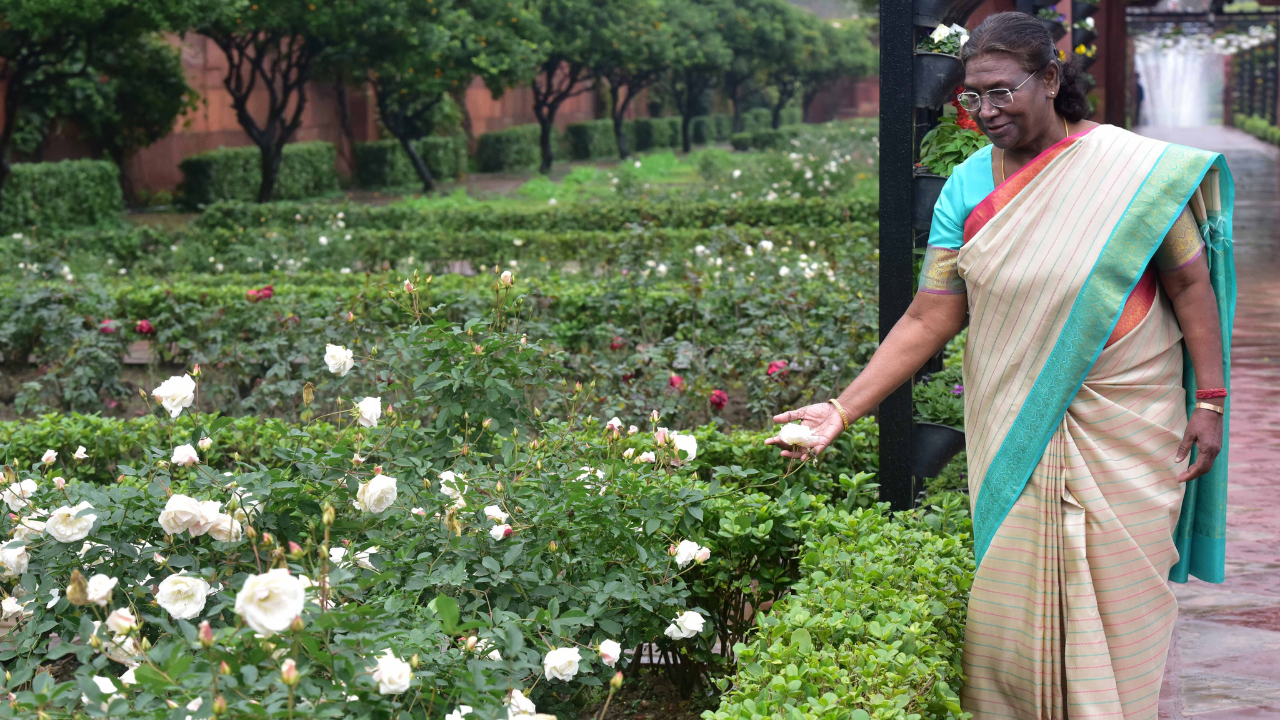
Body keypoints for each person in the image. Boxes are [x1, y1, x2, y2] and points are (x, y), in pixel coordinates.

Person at [766, 12, 1234, 720]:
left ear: (1050, 80)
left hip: (1129, 414)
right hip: (1015, 413)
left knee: (1122, 595)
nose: (985, 111)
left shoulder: (1134, 174)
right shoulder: (965, 187)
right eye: (971, 97)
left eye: (1001, 91)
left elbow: (1190, 284)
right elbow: (931, 314)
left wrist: (1213, 401)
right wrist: (843, 407)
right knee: (1013, 620)